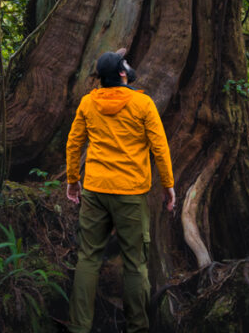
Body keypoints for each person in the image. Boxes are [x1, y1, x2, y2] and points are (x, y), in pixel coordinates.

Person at [65, 49, 175, 333]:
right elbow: (160, 148)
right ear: (123, 74)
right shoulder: (143, 104)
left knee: (88, 258)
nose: (129, 65)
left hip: (95, 191)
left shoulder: (89, 103)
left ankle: (79, 327)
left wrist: (73, 180)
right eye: (126, 63)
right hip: (130, 194)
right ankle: (137, 327)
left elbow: (74, 143)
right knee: (135, 263)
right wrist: (168, 185)